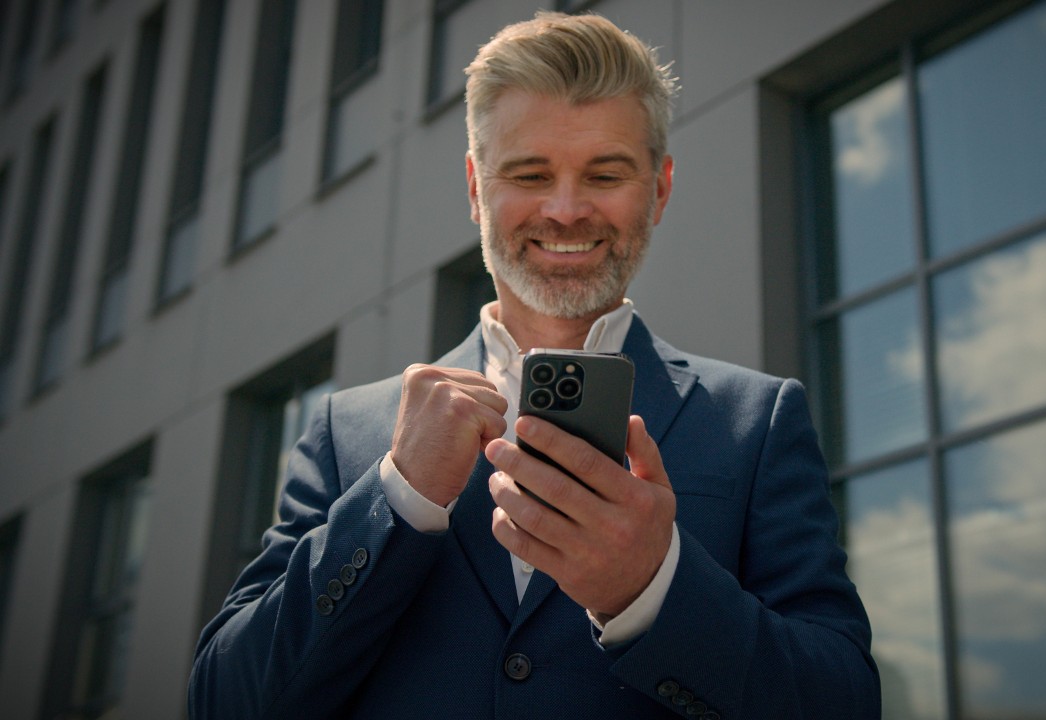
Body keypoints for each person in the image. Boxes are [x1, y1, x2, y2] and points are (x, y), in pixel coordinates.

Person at [189, 11, 878, 719]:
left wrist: (653, 587)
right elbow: (222, 701)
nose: (567, 209)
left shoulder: (756, 423)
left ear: (661, 188)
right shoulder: (348, 432)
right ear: (474, 187)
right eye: (529, 173)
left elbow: (844, 702)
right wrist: (397, 498)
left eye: (605, 173)